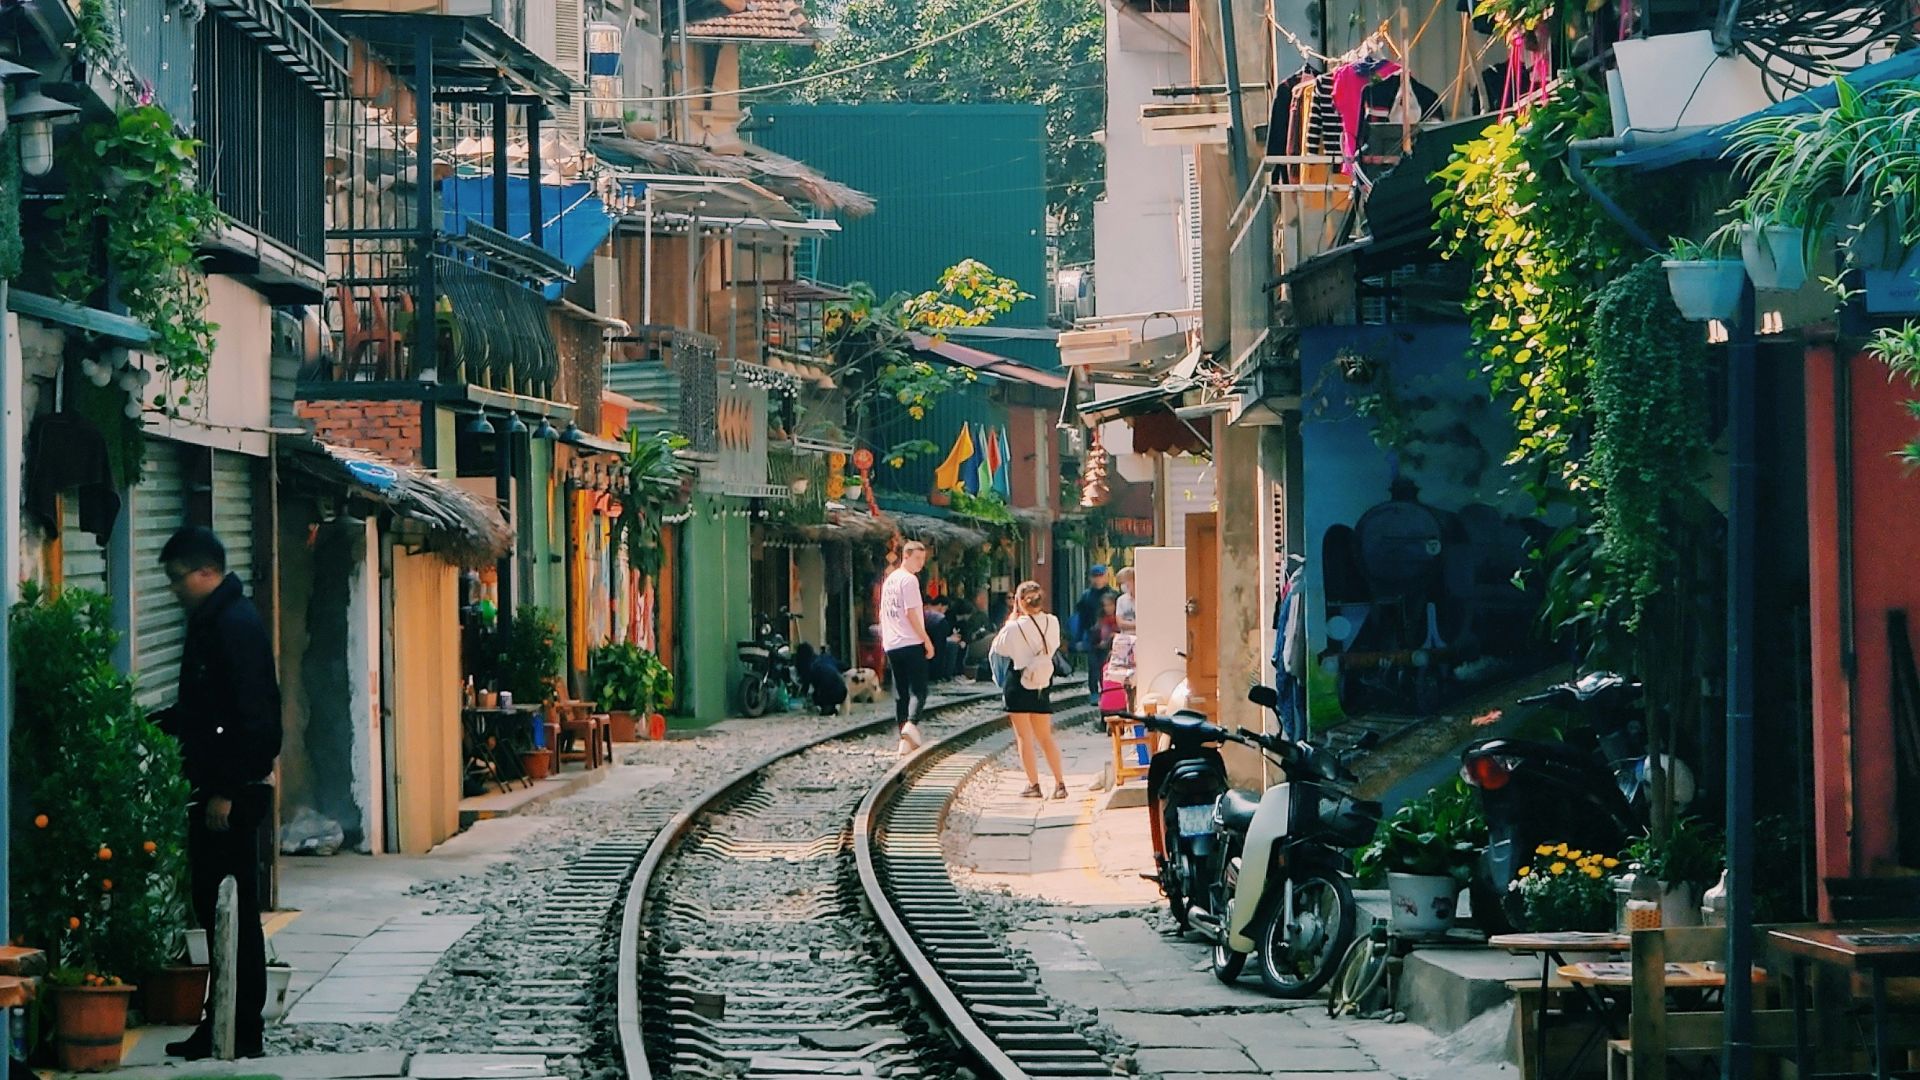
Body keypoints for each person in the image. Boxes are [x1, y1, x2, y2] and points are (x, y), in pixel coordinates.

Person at [153, 527, 281, 1061]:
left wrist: (227, 790)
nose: (174, 591)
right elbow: (205, 711)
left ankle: (238, 1028)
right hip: (218, 785)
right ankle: (224, 1023)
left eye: (177, 579)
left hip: (229, 793)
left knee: (230, 910)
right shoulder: (218, 622)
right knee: (218, 909)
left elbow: (252, 719)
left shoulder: (231, 626)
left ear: (204, 572)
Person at [991, 581, 1070, 799]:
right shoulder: (1052, 622)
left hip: (1018, 681)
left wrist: (1012, 619)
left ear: (1018, 602)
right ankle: (1060, 783)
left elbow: (999, 648)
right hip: (1042, 681)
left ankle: (1034, 785)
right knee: (1045, 736)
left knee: (1024, 737)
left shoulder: (1014, 627)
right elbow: (1053, 646)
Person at [880, 541, 935, 752]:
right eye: (918, 559)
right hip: (910, 641)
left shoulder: (889, 581)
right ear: (906, 556)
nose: (921, 563)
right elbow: (911, 613)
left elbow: (883, 613)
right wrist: (926, 640)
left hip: (892, 643)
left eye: (923, 559)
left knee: (900, 691)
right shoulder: (909, 580)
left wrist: (885, 640)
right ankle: (911, 724)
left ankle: (903, 738)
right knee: (918, 690)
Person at [1075, 565, 1114, 705]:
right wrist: (1078, 638)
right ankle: (1094, 692)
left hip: (1110, 636)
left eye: (1100, 576)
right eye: (1095, 576)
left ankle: (1106, 692)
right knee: (1093, 666)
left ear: (1106, 576)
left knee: (1106, 665)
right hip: (1092, 636)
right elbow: (1081, 619)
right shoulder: (1086, 596)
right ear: (1090, 578)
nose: (1098, 579)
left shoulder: (1113, 594)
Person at [793, 642, 849, 716]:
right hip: (842, 691)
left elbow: (806, 688)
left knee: (816, 695)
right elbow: (844, 666)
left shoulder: (809, 667)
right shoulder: (826, 658)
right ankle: (830, 708)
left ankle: (827, 708)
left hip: (828, 694)